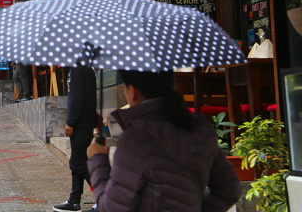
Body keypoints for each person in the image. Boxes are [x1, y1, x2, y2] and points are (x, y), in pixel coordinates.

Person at [86, 70, 241, 212]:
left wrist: (97, 160)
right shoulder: (198, 128)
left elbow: (112, 208)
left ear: (132, 92)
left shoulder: (136, 139)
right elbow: (229, 190)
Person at [54, 66, 98, 212]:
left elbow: (76, 97)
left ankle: (103, 195)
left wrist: (71, 121)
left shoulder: (79, 68)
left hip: (80, 123)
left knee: (79, 163)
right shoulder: (84, 68)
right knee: (77, 161)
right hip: (84, 122)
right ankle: (74, 200)